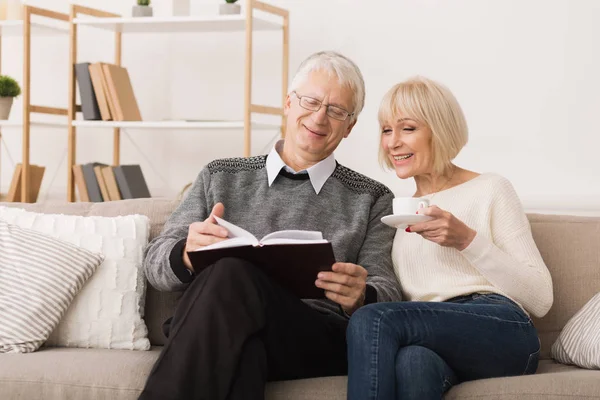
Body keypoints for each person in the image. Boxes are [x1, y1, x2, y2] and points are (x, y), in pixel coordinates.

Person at [138, 51, 402, 400]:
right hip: (222, 327)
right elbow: (154, 264)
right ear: (288, 104)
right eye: (310, 101)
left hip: (311, 337)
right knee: (245, 353)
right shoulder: (220, 175)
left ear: (349, 126)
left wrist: (361, 296)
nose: (319, 117)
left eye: (336, 110)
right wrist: (185, 254)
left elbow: (387, 287)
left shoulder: (372, 197)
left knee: (230, 274)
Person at [346, 76, 554, 400]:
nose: (393, 142)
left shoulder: (490, 188)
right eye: (387, 130)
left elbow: (541, 298)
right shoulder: (394, 214)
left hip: (501, 328)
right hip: (431, 338)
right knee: (413, 364)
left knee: (373, 320)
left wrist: (467, 241)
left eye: (408, 128)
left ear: (439, 129)